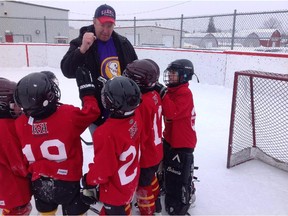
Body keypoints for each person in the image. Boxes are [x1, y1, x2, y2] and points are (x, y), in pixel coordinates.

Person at [13, 69, 100, 215]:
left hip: (39, 182)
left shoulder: (20, 123)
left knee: (47, 212)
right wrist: (87, 93)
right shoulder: (68, 115)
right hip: (69, 182)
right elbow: (92, 112)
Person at [61, 4, 138, 132]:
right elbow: (67, 70)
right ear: (94, 22)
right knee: (102, 150)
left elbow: (135, 69)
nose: (106, 30)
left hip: (122, 112)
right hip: (97, 113)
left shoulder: (123, 43)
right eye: (102, 25)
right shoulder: (80, 42)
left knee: (124, 150)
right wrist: (82, 49)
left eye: (110, 26)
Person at [80, 76, 142, 215]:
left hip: (115, 192)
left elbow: (103, 169)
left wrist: (89, 181)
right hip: (130, 182)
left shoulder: (105, 133)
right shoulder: (136, 117)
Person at [155, 59, 198, 215]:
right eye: (170, 73)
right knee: (167, 167)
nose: (170, 76)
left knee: (178, 173)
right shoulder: (173, 91)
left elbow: (171, 112)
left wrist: (162, 94)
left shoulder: (184, 93)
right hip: (171, 138)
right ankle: (168, 185)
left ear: (185, 76)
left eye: (174, 73)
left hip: (182, 142)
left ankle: (182, 196)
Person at [123, 59, 163, 215]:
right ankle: (157, 202)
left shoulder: (140, 104)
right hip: (156, 151)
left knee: (142, 185)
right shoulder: (154, 95)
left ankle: (148, 211)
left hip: (146, 155)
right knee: (150, 177)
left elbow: (138, 133)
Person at [0, 78, 32, 216]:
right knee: (17, 211)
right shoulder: (6, 127)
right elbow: (18, 164)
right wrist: (32, 172)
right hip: (13, 188)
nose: (19, 107)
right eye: (14, 103)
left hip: (5, 185)